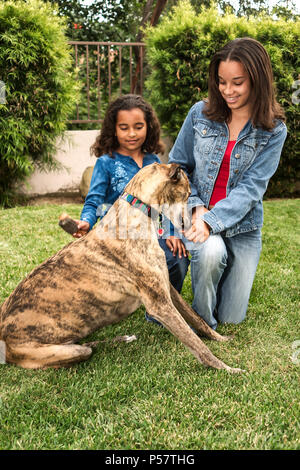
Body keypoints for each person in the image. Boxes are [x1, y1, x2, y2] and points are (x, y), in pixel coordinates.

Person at [168, 37, 287, 330]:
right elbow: (178, 167)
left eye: (238, 82)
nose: (228, 91)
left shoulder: (273, 130)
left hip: (243, 228)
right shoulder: (200, 113)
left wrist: (211, 219)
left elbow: (251, 188)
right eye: (222, 82)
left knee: (233, 316)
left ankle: (211, 291)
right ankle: (201, 321)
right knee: (210, 253)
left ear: (257, 81)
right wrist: (196, 209)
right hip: (195, 216)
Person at [72, 94, 189, 297]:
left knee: (177, 258)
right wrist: (86, 222)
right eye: (124, 128)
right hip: (119, 236)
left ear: (148, 127)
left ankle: (160, 304)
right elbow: (93, 201)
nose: (132, 133)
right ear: (114, 129)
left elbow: (164, 203)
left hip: (153, 232)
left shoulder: (153, 161)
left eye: (138, 126)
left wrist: (171, 232)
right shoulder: (105, 163)